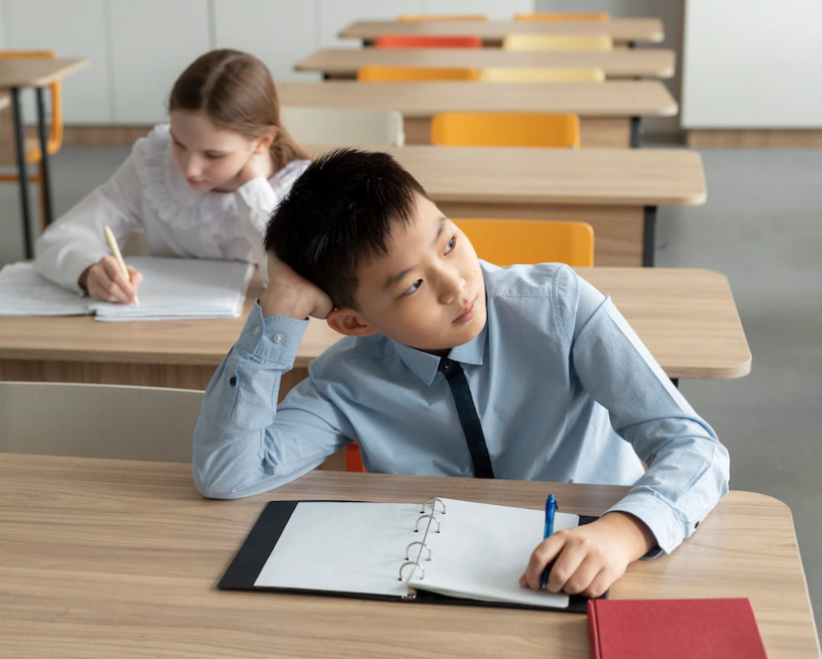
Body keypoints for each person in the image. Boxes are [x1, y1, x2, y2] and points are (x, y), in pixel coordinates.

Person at [193, 149, 730, 598]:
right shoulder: (347, 378)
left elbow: (695, 449)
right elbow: (229, 472)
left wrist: (624, 532)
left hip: (592, 570)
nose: (455, 285)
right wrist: (279, 308)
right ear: (354, 321)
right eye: (411, 287)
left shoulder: (558, 308)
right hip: (430, 591)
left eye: (449, 242)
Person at [35, 49, 309, 302]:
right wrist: (89, 270)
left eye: (213, 155)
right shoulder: (154, 162)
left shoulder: (300, 188)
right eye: (178, 143)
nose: (189, 169)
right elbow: (58, 239)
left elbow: (298, 286)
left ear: (262, 142)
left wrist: (253, 189)